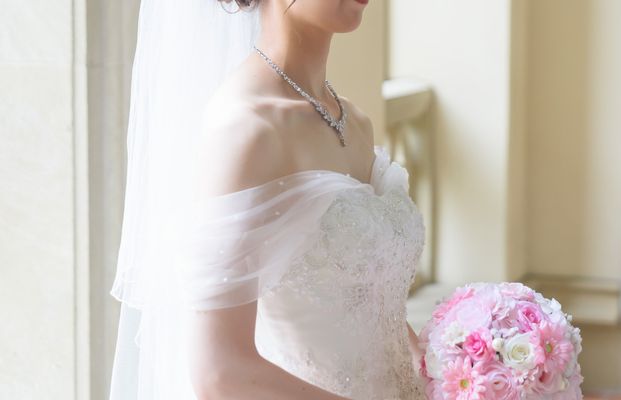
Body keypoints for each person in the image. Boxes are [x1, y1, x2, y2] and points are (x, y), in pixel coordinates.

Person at [109, 0, 427, 399]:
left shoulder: (354, 122)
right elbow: (220, 373)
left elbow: (369, 301)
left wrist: (449, 362)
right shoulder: (247, 129)